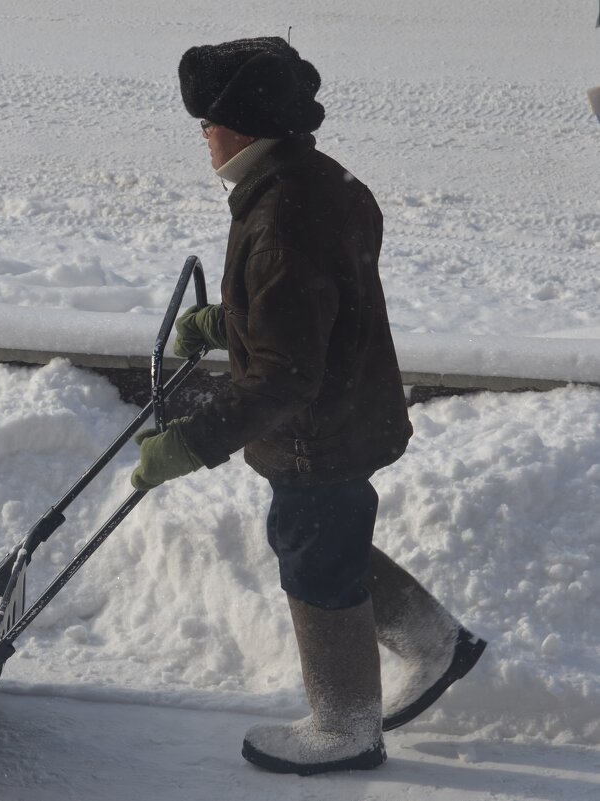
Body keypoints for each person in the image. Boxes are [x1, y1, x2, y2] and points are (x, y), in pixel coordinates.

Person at [130, 37, 486, 776]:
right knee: (324, 539)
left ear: (247, 125)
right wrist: (231, 321)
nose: (202, 132)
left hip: (315, 430)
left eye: (208, 119)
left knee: (316, 557)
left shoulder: (282, 213)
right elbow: (316, 305)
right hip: (350, 410)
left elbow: (289, 372)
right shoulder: (317, 181)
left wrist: (194, 441)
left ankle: (345, 727)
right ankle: (432, 640)